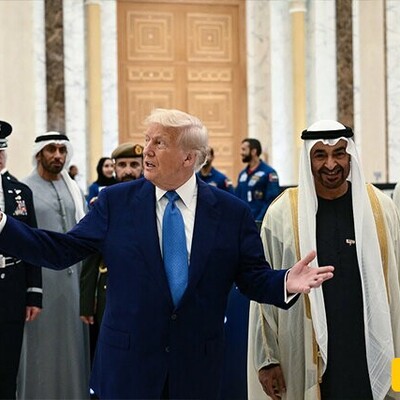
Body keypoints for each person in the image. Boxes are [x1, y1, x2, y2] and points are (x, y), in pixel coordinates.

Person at [0, 109, 334, 400]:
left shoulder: (232, 213)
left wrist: (285, 281)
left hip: (196, 369)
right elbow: (60, 251)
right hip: (127, 369)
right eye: (147, 140)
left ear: (189, 158)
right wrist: (3, 226)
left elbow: (252, 278)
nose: (146, 150)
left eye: (159, 142)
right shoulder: (115, 203)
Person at [248, 120, 400, 400]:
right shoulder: (282, 214)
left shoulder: (381, 209)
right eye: (320, 155)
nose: (331, 164)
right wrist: (267, 359)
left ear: (350, 155)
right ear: (308, 159)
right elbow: (262, 291)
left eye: (339, 153)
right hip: (306, 351)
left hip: (370, 348)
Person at [17, 132, 90, 400]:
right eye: (51, 150)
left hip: (73, 282)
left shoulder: (73, 189)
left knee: (74, 344)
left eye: (62, 150)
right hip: (40, 282)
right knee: (41, 345)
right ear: (39, 154)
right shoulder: (23, 190)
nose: (57, 155)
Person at [0, 121, 42, 400]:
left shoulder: (19, 192)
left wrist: (34, 292)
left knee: (7, 366)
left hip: (11, 287)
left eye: (1, 150)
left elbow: (31, 243)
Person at [80, 143, 144, 326]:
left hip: (147, 290)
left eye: (134, 165)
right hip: (111, 288)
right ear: (114, 168)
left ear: (143, 167)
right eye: (122, 165)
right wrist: (86, 303)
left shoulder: (156, 200)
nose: (128, 171)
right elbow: (91, 255)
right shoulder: (103, 202)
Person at [235, 138, 280, 222]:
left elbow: (272, 200)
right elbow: (237, 198)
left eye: (244, 149)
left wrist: (259, 220)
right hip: (243, 221)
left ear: (253, 151)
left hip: (261, 221)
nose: (241, 153)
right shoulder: (242, 174)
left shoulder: (269, 173)